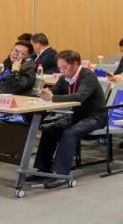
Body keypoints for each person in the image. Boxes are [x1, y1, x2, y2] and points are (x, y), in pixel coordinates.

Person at [33, 50, 107, 188]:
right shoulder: (64, 77)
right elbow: (54, 92)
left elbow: (80, 97)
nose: (62, 71)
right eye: (59, 68)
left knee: (69, 133)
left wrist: (53, 97)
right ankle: (43, 170)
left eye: (64, 67)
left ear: (75, 64)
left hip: (95, 116)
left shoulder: (88, 76)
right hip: (76, 115)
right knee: (50, 130)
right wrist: (46, 93)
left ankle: (61, 174)